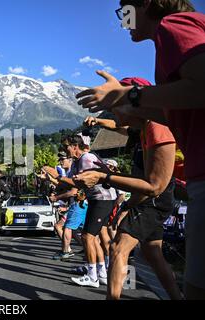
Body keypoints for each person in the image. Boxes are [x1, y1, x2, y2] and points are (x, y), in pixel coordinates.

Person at [76, 0, 205, 299]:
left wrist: (131, 95)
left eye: (126, 9)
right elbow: (175, 110)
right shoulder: (146, 127)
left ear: (146, 4)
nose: (123, 20)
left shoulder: (175, 25)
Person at [74, 92, 183, 299]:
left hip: (151, 199)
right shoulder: (141, 129)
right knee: (153, 254)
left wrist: (104, 178)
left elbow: (153, 186)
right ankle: (177, 297)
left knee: (118, 247)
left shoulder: (155, 128)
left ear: (135, 106)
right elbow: (116, 126)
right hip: (150, 197)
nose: (115, 115)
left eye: (117, 108)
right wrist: (98, 121)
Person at [65, 135, 117, 288]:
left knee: (87, 237)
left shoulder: (87, 158)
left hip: (103, 199)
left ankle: (92, 276)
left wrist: (58, 177)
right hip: (97, 200)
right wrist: (56, 179)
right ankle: (101, 274)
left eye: (66, 146)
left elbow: (78, 184)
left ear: (75, 146)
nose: (64, 149)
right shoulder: (77, 162)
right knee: (93, 238)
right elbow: (72, 184)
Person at [53, 190, 88, 261]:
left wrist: (56, 197)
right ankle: (87, 252)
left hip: (79, 206)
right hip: (78, 205)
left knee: (67, 228)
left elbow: (73, 191)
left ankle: (66, 251)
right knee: (87, 232)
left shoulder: (75, 180)